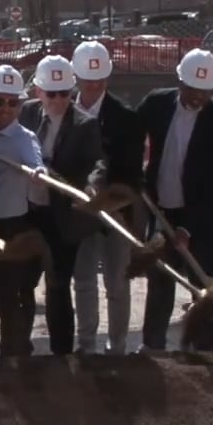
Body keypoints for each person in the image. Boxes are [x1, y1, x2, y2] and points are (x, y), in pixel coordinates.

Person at [137, 48, 213, 350]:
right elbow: (129, 133)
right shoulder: (157, 104)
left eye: (204, 91)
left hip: (200, 221)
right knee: (160, 280)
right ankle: (153, 346)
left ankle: (205, 350)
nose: (197, 97)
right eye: (192, 89)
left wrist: (188, 229)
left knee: (203, 286)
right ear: (180, 81)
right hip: (162, 210)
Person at [18, 53, 105, 355]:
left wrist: (92, 186)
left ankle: (62, 354)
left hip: (62, 216)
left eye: (64, 94)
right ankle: (19, 347)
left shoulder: (85, 124)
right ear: (38, 91)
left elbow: (97, 162)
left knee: (58, 284)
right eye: (51, 93)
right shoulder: (25, 114)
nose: (57, 100)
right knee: (23, 281)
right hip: (28, 211)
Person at [69, 40, 145, 354]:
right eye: (88, 78)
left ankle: (117, 346)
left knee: (116, 282)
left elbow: (132, 173)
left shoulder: (125, 118)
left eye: (99, 79)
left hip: (115, 213)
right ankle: (87, 345)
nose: (94, 85)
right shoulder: (66, 112)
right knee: (84, 280)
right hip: (79, 211)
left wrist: (115, 203)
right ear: (76, 76)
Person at [0, 66, 45, 357]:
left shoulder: (24, 139)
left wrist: (38, 172)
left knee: (10, 299)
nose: (5, 109)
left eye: (13, 103)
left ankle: (13, 358)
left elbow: (36, 163)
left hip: (11, 229)